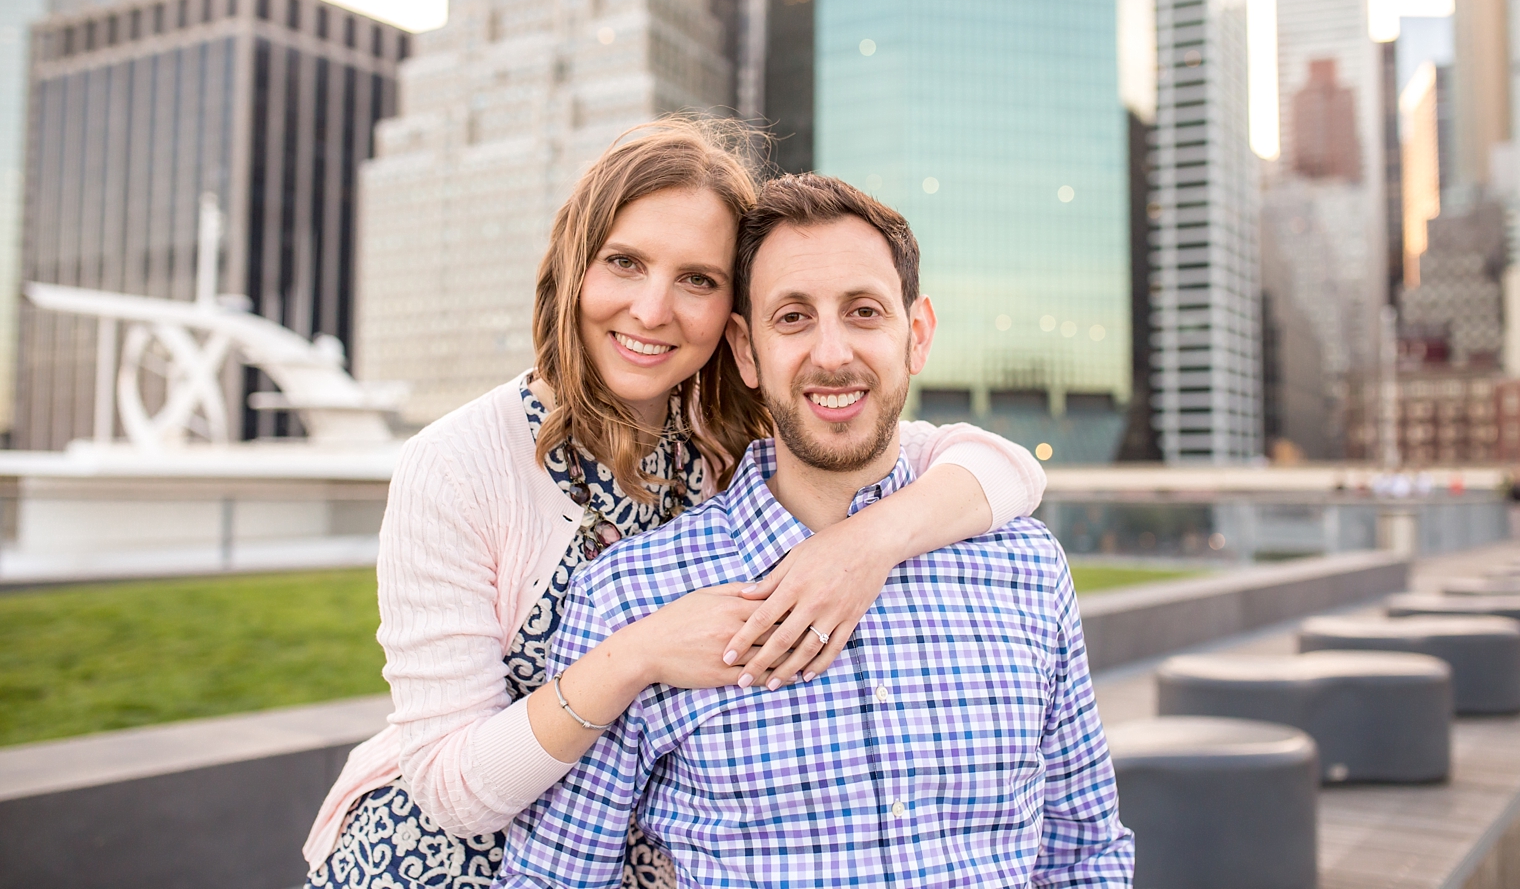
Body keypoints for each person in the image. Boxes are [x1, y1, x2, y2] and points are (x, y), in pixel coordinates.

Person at [303, 122, 1049, 888]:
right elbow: (453, 794)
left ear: (737, 321)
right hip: (442, 864)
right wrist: (638, 654)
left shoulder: (734, 437)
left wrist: (864, 547)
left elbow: (1007, 469)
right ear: (572, 268)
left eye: (697, 278)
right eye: (624, 263)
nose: (653, 309)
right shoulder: (458, 465)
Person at [494, 173, 1133, 889]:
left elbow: (1084, 853)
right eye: (793, 318)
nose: (832, 354)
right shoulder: (633, 595)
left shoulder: (1027, 569)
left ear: (915, 334)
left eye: (863, 312)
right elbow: (552, 878)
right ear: (744, 350)